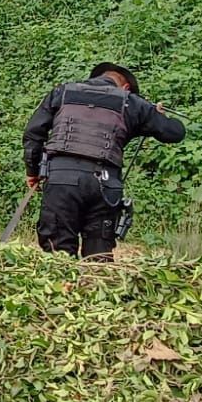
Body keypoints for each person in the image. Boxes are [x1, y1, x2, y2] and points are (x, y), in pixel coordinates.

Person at [22, 62, 186, 261]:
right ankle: (94, 287)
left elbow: (33, 133)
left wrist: (33, 170)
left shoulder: (62, 92)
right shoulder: (131, 103)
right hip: (105, 185)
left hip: (61, 179)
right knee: (98, 257)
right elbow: (175, 133)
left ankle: (62, 288)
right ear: (126, 88)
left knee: (58, 254)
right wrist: (157, 115)